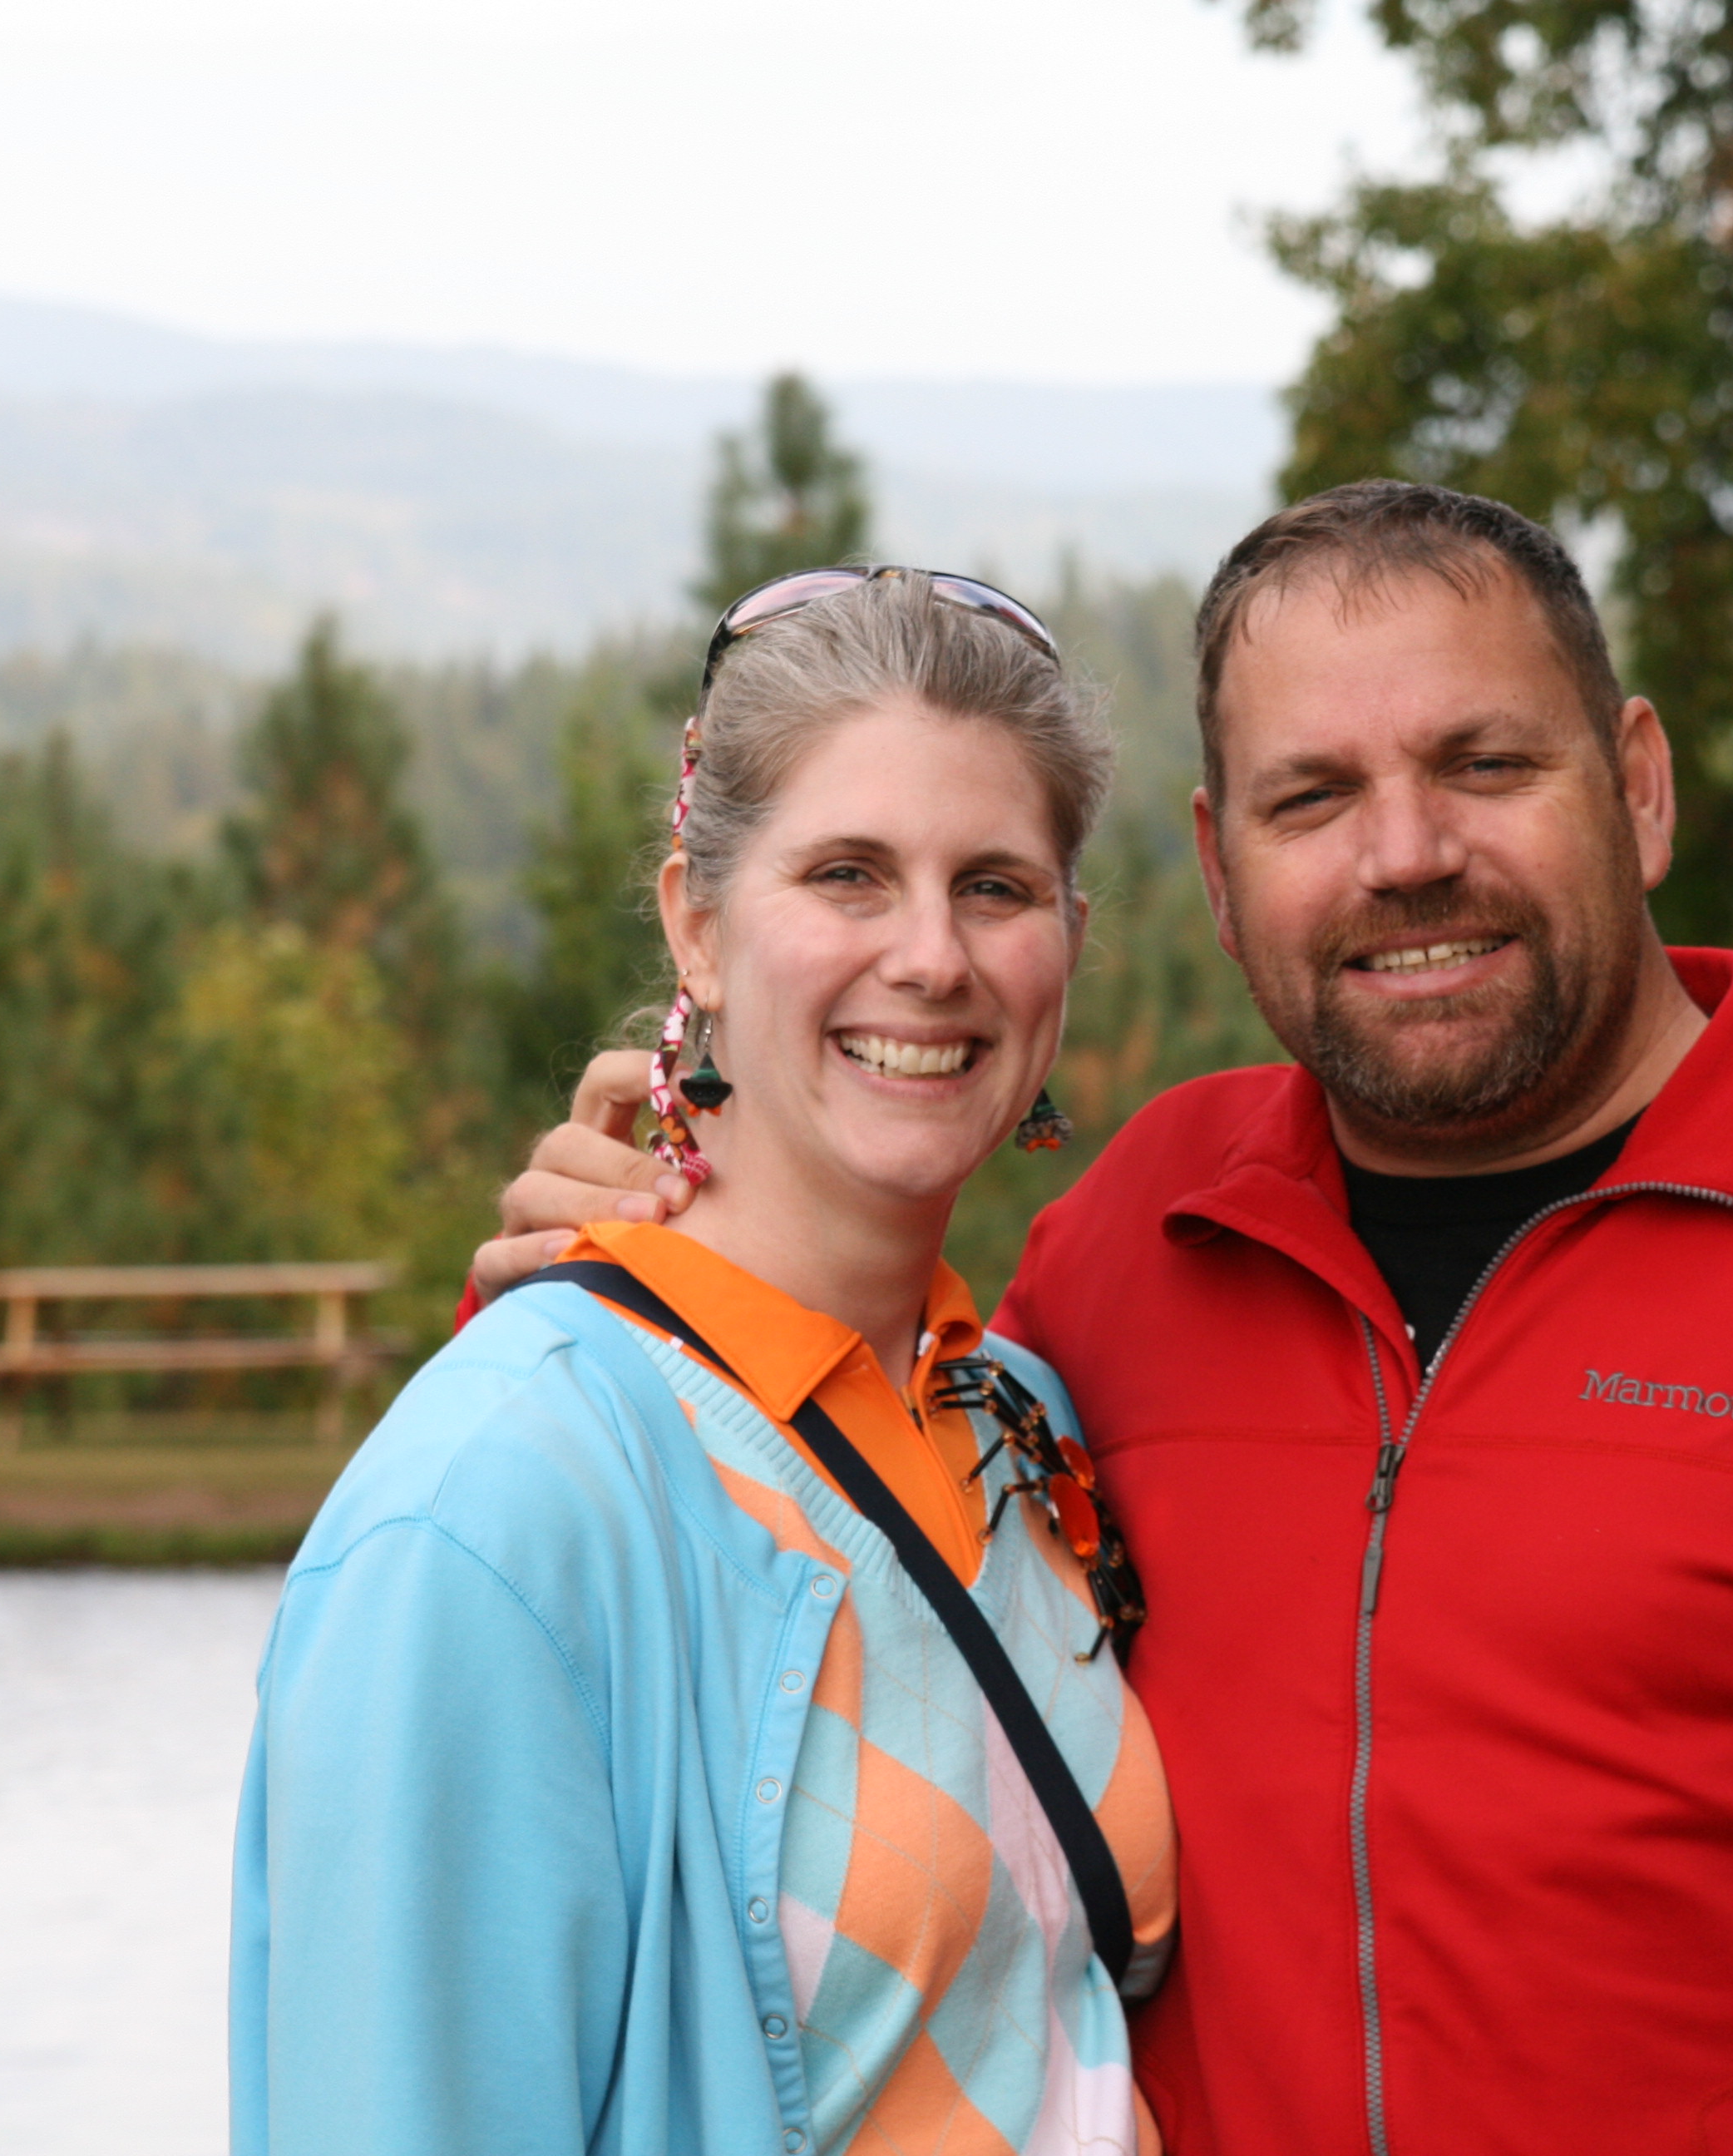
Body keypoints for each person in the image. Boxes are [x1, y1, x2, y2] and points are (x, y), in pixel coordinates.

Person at [476, 484, 1733, 2154]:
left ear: (1640, 787)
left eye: (1486, 765)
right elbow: (857, 1535)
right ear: (1221, 871)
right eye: (1313, 798)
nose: (1407, 854)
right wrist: (655, 1260)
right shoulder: (1134, 1247)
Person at [233, 568, 1178, 2156]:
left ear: (1068, 945)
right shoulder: (494, 1510)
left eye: (996, 887)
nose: (932, 956)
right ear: (698, 924)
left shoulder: (1022, 1420)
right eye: (848, 875)